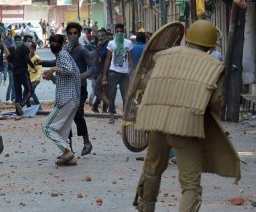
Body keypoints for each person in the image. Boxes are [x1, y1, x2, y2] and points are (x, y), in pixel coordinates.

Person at [134, 20, 240, 212]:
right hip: (185, 126)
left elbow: (144, 84)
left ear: (188, 37)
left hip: (156, 121)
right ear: (210, 45)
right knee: (191, 185)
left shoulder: (163, 56)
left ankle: (145, 207)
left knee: (151, 171)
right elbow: (216, 104)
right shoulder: (213, 66)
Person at [39, 22, 96, 156]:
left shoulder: (82, 50)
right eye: (70, 33)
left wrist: (83, 75)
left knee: (77, 115)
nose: (72, 36)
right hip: (67, 87)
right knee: (66, 118)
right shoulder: (65, 50)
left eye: (75, 33)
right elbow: (58, 63)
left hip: (79, 88)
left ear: (79, 34)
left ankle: (86, 142)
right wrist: (44, 64)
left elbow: (92, 67)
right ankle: (67, 148)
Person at [42, 34, 81, 166]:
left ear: (62, 43)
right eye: (51, 42)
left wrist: (52, 68)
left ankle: (67, 152)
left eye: (56, 42)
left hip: (67, 98)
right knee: (62, 131)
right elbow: (63, 78)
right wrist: (51, 77)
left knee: (47, 127)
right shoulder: (61, 56)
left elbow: (68, 70)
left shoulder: (63, 54)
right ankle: (70, 157)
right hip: (71, 98)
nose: (53, 45)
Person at [102, 23, 133, 124]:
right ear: (115, 32)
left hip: (125, 73)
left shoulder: (128, 43)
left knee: (126, 96)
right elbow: (107, 59)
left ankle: (125, 116)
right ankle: (112, 115)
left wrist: (132, 73)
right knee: (112, 95)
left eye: (121, 31)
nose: (119, 33)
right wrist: (104, 75)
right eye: (118, 31)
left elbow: (130, 59)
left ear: (124, 32)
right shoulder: (111, 43)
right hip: (113, 72)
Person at [11, 35, 35, 116]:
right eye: (28, 41)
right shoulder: (25, 49)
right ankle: (21, 105)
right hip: (22, 72)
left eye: (31, 41)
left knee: (18, 93)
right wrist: (33, 66)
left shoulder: (17, 49)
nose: (30, 43)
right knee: (30, 90)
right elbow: (27, 59)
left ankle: (18, 112)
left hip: (15, 72)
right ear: (24, 41)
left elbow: (11, 59)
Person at [91, 29, 110, 113]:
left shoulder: (106, 44)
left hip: (105, 71)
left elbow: (102, 55)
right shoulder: (105, 44)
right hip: (102, 70)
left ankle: (110, 106)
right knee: (103, 90)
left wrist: (99, 46)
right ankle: (104, 109)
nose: (100, 40)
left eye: (100, 38)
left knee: (97, 90)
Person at [28, 42, 43, 109]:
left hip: (35, 79)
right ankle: (29, 107)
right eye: (30, 48)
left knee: (31, 93)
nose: (31, 50)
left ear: (34, 49)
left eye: (32, 49)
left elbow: (40, 69)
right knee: (28, 93)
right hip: (28, 79)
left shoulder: (36, 58)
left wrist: (38, 78)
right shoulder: (27, 57)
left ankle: (39, 107)